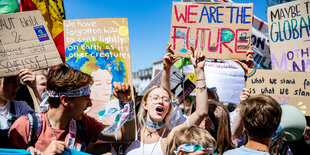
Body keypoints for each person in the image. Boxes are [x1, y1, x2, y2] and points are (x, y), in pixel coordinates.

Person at [9, 63, 135, 154]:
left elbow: (126, 136)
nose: (89, 104)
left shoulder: (84, 124)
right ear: (65, 100)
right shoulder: (26, 126)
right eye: (85, 98)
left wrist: (126, 102)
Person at [125, 45, 209, 154]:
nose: (160, 101)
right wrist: (166, 69)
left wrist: (199, 70)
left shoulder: (170, 136)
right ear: (145, 104)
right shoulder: (131, 132)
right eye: (155, 98)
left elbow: (201, 112)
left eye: (165, 100)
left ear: (168, 108)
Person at [0, 69, 35, 148]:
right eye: (12, 81)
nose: (17, 86)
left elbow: (41, 122)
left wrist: (34, 88)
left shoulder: (21, 107)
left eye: (18, 81)